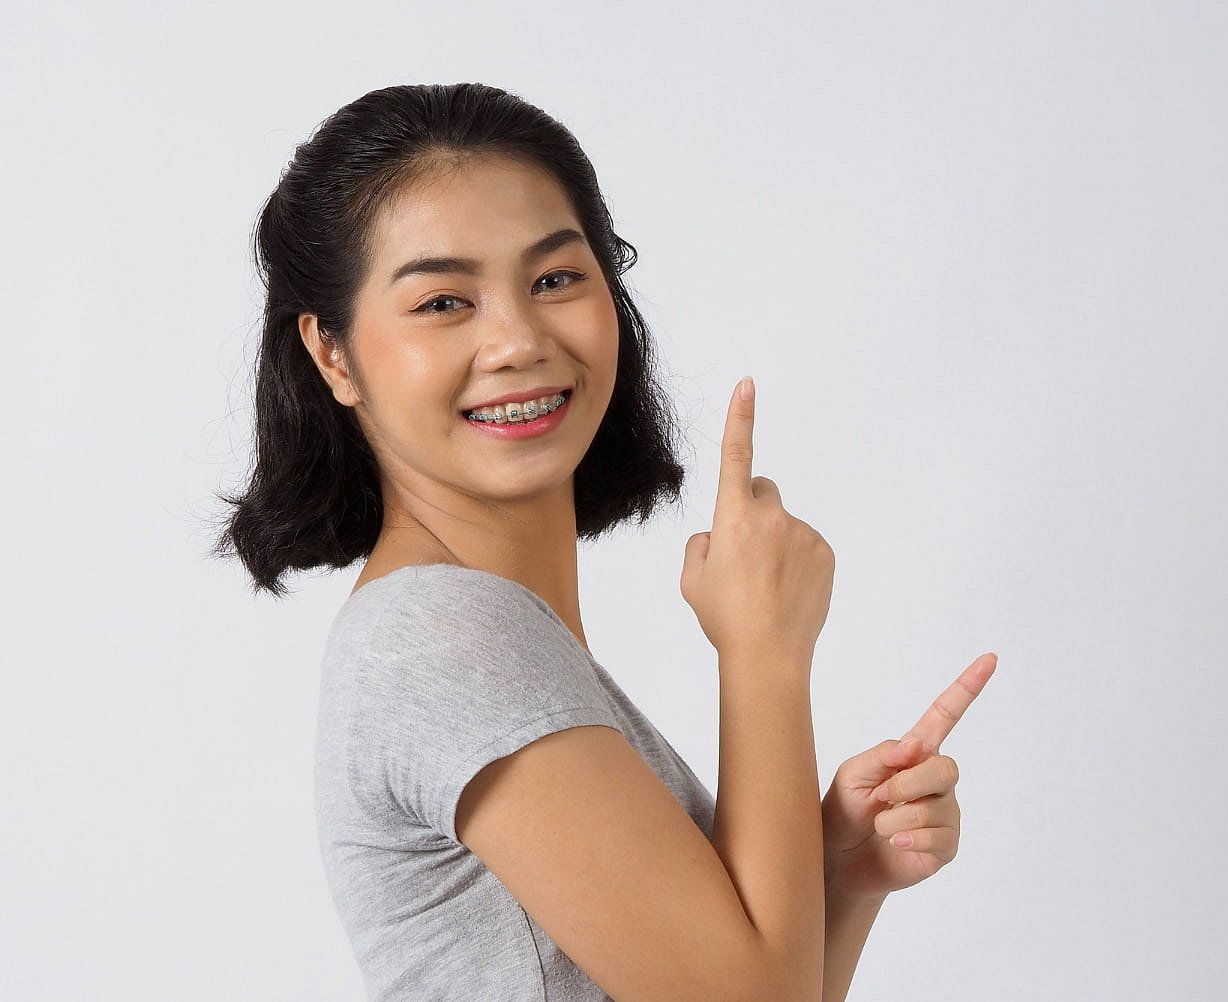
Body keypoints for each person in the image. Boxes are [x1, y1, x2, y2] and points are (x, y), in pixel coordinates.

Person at [212, 81, 997, 1001]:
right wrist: (764, 651)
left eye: (554, 279)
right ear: (332, 353)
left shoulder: (500, 635)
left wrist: (836, 881)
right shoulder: (442, 639)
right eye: (441, 303)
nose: (516, 340)